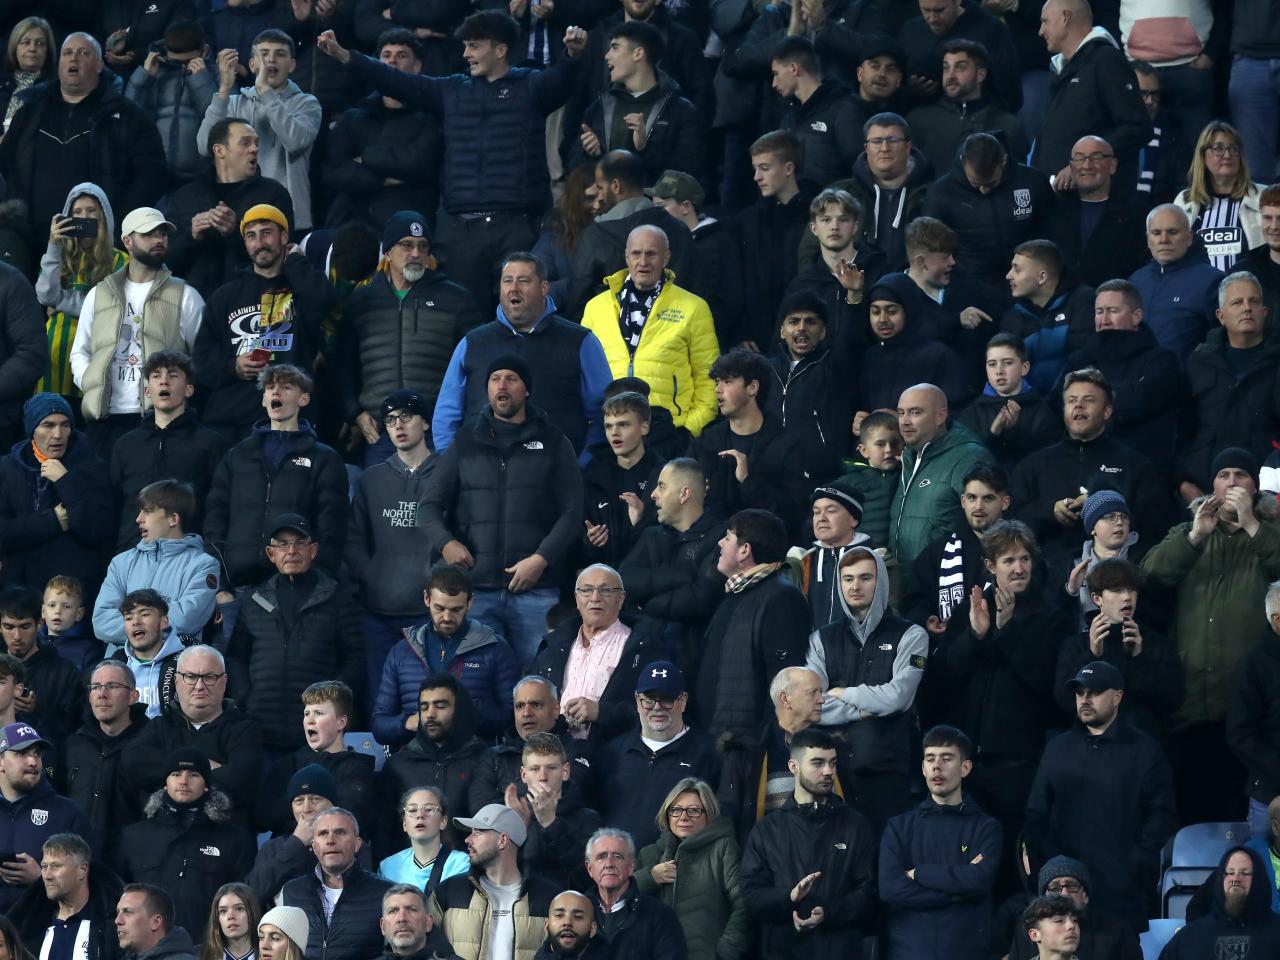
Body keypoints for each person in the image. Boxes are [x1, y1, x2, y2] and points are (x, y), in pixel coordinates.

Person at [315, 15, 589, 310]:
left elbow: (562, 81)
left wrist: (572, 55)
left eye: (473, 46)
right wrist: (346, 56)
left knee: (519, 314)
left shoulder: (531, 87)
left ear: (500, 50)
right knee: (465, 316)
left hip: (517, 226)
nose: (465, 54)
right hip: (460, 232)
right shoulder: (451, 90)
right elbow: (395, 80)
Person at [1142, 447, 1280, 823]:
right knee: (1193, 815)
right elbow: (1148, 578)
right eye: (1224, 475)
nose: (1232, 482)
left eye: (1240, 475)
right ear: (1212, 485)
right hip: (1190, 705)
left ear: (1254, 488)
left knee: (1245, 823)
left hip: (1253, 716)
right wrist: (1194, 537)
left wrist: (1254, 525)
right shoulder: (1189, 531)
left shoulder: (1270, 532)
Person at [421, 354, 584, 666]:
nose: (502, 385)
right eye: (495, 379)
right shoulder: (465, 441)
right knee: (477, 685)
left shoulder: (553, 441)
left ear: (527, 391)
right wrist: (447, 543)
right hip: (477, 591)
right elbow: (428, 506)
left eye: (511, 378)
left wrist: (541, 559)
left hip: (536, 590)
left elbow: (573, 512)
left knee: (537, 684)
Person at [930, 522, 1065, 860]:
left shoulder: (1050, 616)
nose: (1019, 568)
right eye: (1008, 560)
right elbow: (942, 677)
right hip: (970, 763)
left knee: (1012, 857)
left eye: (1024, 559)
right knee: (966, 854)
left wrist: (1006, 631)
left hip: (1020, 763)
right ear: (990, 566)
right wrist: (974, 636)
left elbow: (1044, 683)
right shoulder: (974, 608)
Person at [1024, 660, 1177, 927]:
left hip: (1122, 893)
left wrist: (1135, 861)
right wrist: (1049, 866)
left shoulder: (1144, 750)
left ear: (1117, 696)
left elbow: (1162, 814)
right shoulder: (1058, 748)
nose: (1085, 700)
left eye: (1094, 692)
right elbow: (1036, 813)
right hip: (1064, 890)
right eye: (1080, 693)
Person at [432, 250, 611, 456]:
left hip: (557, 477)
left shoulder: (581, 342)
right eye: (507, 281)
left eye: (523, 281)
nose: (514, 289)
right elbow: (446, 415)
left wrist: (583, 466)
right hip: (481, 478)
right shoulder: (472, 343)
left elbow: (603, 412)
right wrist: (453, 466)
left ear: (544, 288)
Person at [339, 214, 480, 463]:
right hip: (382, 432)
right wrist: (355, 413)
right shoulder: (361, 302)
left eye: (423, 246)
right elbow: (342, 366)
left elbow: (476, 365)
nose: (416, 253)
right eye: (406, 245)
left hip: (437, 430)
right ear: (388, 252)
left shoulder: (456, 299)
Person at [0, 32, 166, 242]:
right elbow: (6, 163)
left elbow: (153, 172)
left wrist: (117, 220)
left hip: (95, 240)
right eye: (67, 53)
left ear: (99, 65)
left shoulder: (127, 116)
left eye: (83, 53)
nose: (73, 58)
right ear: (59, 63)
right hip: (31, 234)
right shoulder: (31, 111)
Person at [65, 206, 205, 454]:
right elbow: (80, 352)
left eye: (163, 234)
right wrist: (91, 381)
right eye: (149, 234)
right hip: (105, 419)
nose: (159, 240)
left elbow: (202, 357)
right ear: (127, 241)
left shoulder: (185, 295)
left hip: (161, 419)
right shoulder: (99, 294)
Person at [807, 546, 926, 831]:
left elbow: (898, 697)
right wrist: (865, 710)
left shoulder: (912, 634)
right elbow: (813, 706)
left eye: (865, 578)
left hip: (890, 775)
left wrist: (842, 693)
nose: (855, 586)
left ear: (881, 581)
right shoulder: (821, 638)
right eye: (847, 579)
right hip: (833, 775)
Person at [203, 365, 348, 594]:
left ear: (304, 399)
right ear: (263, 399)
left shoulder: (324, 458)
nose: (276, 393)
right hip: (238, 586)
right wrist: (220, 584)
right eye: (270, 388)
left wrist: (318, 581)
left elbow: (331, 529)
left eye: (286, 387)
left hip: (297, 588)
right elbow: (215, 520)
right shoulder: (237, 455)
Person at [227, 514, 364, 752]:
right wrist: (246, 697)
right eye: (282, 544)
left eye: (299, 543)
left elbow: (355, 658)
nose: (291, 550)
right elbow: (236, 656)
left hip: (317, 734)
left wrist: (331, 701)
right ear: (271, 554)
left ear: (313, 550)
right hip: (261, 730)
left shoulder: (338, 599)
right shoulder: (252, 601)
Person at [194, 205, 331, 441]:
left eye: (266, 233)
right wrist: (233, 366)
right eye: (251, 236)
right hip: (233, 421)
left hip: (290, 420)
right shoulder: (225, 295)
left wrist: (296, 260)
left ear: (284, 237)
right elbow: (202, 359)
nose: (259, 243)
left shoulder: (302, 289)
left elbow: (323, 299)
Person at [738, 727, 876, 960]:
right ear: (794, 767)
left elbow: (869, 893)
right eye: (817, 763)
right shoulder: (767, 830)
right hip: (781, 950)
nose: (828, 771)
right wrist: (788, 898)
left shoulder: (856, 826)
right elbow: (750, 896)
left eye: (833, 763)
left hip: (840, 951)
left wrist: (828, 913)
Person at [1009, 368, 1167, 569]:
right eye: (1072, 400)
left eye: (1089, 400)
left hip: (1117, 575)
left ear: (1107, 411)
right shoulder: (1033, 465)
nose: (1079, 406)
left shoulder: (1135, 464)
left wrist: (1105, 508)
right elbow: (1014, 517)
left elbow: (1156, 520)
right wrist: (1050, 511)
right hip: (1050, 576)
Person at [580, 225, 719, 440]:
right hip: (608, 434)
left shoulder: (693, 307)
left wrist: (688, 430)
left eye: (651, 254)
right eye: (636, 253)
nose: (643, 262)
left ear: (666, 258)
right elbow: (582, 375)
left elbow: (709, 379)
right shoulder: (595, 308)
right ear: (627, 257)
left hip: (668, 435)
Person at [878, 725, 1002, 960]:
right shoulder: (899, 827)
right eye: (930, 759)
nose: (937, 766)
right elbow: (890, 889)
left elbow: (980, 880)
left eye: (947, 758)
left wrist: (919, 873)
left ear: (965, 768)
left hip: (967, 951)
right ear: (923, 768)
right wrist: (959, 892)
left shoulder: (986, 827)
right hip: (909, 952)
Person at [371, 562, 518, 746]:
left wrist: (471, 711)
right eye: (439, 608)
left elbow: (513, 719)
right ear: (426, 598)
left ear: (470, 602)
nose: (447, 617)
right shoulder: (401, 652)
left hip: (475, 761)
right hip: (415, 761)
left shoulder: (496, 648)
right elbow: (379, 726)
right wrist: (408, 722)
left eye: (456, 609)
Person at [348, 390, 439, 683]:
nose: (398, 425)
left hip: (430, 612)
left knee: (428, 698)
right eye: (389, 420)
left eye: (406, 416)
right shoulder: (371, 479)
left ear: (425, 423)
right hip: (378, 611)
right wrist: (371, 574)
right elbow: (353, 539)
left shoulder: (449, 473)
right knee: (381, 697)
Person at [117, 748, 256, 937]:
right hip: (145, 948)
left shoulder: (233, 838)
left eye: (193, 774)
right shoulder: (134, 836)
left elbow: (244, 900)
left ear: (206, 784)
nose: (183, 781)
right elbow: (117, 897)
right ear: (165, 783)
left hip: (207, 948)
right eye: (176, 774)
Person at [700, 509, 810, 740]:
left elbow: (783, 682)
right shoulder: (735, 594)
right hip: (722, 739)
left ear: (744, 550)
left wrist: (768, 743)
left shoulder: (782, 599)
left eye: (727, 537)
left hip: (751, 746)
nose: (720, 543)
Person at [120, 645, 264, 816]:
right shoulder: (159, 726)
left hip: (224, 834)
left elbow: (242, 778)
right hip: (163, 831)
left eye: (209, 677)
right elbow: (132, 762)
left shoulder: (245, 729)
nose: (199, 685)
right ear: (176, 681)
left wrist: (171, 773)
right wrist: (202, 766)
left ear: (224, 682)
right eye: (190, 676)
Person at [197, 30, 321, 231]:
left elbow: (295, 142)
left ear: (292, 65)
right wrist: (224, 90)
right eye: (263, 54)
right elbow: (205, 147)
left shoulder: (307, 103)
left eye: (280, 54)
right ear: (252, 64)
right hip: (236, 212)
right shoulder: (234, 103)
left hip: (286, 216)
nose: (270, 59)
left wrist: (265, 91)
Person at [530, 564, 666, 744]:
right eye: (586, 590)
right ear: (577, 599)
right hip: (554, 754)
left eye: (606, 591)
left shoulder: (644, 647)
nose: (595, 598)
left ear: (621, 598)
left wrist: (601, 712)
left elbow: (661, 710)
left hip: (613, 754)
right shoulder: (552, 645)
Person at [107, 352, 228, 552]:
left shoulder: (211, 443)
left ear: (189, 389)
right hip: (132, 554)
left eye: (173, 375)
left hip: (188, 555)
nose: (164, 381)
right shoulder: (125, 445)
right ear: (147, 390)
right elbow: (114, 505)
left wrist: (210, 550)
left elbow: (217, 506)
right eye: (156, 376)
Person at [322, 30, 442, 231]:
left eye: (401, 56)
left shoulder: (431, 118)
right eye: (386, 56)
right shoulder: (353, 117)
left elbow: (419, 165)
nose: (392, 62)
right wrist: (382, 179)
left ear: (418, 66)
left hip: (406, 228)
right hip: (349, 223)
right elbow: (332, 172)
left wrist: (365, 158)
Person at [164, 118, 295, 299]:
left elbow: (284, 257)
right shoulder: (185, 196)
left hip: (254, 302)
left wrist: (237, 232)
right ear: (220, 150)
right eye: (245, 143)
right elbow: (166, 263)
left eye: (256, 143)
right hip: (195, 304)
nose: (254, 149)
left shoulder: (273, 194)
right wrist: (191, 237)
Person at [1177, 272, 1280, 500]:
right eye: (1237, 302)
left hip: (1266, 494)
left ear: (1264, 312)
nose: (1246, 308)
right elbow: (1181, 429)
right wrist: (1183, 482)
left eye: (1253, 301)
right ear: (1220, 316)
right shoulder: (1198, 362)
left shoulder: (1277, 361)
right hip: (1202, 491)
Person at [595, 661, 721, 849]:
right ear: (637, 700)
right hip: (618, 868)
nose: (657, 707)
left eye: (666, 699)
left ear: (683, 700)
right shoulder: (612, 752)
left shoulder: (709, 752)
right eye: (649, 699)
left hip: (677, 870)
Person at [1055, 558, 1184, 739]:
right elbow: (1065, 702)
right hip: (1091, 750)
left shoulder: (1156, 643)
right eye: (1116, 590)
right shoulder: (1076, 646)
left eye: (1131, 589)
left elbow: (1173, 701)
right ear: (1096, 598)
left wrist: (1140, 658)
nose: (1127, 597)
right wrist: (1092, 655)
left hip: (1144, 748)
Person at [0, 394, 113, 599]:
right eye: (48, 425)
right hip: (19, 594)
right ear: (32, 430)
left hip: (71, 594)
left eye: (65, 425)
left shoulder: (93, 467)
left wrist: (65, 480)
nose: (58, 434)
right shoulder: (7, 469)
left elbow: (98, 530)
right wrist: (53, 521)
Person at [1032, 0, 1151, 194]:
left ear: (1065, 18)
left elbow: (1137, 127)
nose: (1040, 31)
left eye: (1045, 21)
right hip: (1060, 203)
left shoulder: (1106, 61)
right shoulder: (1061, 69)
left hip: (1098, 206)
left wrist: (1084, 163)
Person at [1060, 279, 1180, 468]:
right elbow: (1059, 403)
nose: (1104, 319)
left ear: (1136, 316)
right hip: (1081, 464)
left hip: (1141, 466)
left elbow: (1141, 400)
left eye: (1113, 311)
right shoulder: (1079, 360)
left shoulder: (1161, 360)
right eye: (1099, 312)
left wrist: (1091, 399)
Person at [619, 457, 726, 669]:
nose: (653, 494)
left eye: (661, 486)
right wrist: (681, 576)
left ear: (684, 494)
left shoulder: (720, 538)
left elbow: (701, 599)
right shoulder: (651, 535)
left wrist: (645, 604)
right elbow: (624, 583)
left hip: (698, 660)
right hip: (645, 654)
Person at [920, 133, 1051, 303]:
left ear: (1003, 160)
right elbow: (931, 248)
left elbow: (1052, 236)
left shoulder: (1034, 182)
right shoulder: (941, 193)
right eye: (975, 184)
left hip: (1030, 287)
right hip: (969, 293)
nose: (984, 190)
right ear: (962, 160)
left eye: (990, 183)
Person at [568, 150, 698, 321]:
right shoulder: (679, 230)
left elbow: (579, 300)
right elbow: (694, 290)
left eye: (600, 187)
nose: (599, 197)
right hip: (671, 336)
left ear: (615, 186)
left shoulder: (594, 236)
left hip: (610, 341)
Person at [693, 349, 808, 537]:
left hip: (765, 547)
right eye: (717, 382)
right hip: (712, 544)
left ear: (752, 387)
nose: (718, 389)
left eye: (727, 381)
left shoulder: (787, 445)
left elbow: (793, 513)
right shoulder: (707, 442)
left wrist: (747, 481)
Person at [94, 480, 220, 647]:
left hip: (174, 668)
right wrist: (154, 626)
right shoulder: (121, 563)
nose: (139, 519)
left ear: (173, 519)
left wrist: (133, 624)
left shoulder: (204, 565)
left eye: (147, 511)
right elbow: (102, 621)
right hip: (122, 667)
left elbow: (186, 619)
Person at [634, 779, 748, 960]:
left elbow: (744, 904)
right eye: (676, 810)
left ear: (709, 813)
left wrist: (726, 951)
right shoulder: (649, 853)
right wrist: (650, 877)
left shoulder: (724, 848)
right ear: (667, 814)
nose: (683, 817)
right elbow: (620, 903)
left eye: (694, 810)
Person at [428, 803, 560, 960]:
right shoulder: (448, 891)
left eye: (477, 832)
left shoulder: (550, 898)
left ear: (502, 840)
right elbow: (426, 945)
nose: (468, 839)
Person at [573, 22, 700, 183]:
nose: (607, 55)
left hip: (654, 207)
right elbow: (574, 169)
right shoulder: (599, 107)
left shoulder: (680, 111)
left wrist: (645, 148)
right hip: (606, 207)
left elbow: (687, 176)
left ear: (638, 53)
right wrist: (593, 155)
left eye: (615, 47)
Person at [35, 183, 125, 408]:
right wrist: (54, 245)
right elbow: (45, 295)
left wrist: (62, 302)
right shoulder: (60, 256)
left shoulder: (122, 261)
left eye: (91, 210)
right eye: (77, 212)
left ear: (104, 215)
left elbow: (111, 310)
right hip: (55, 358)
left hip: (98, 360)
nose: (84, 216)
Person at [890, 383, 992, 580]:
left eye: (915, 412)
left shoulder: (968, 457)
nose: (904, 421)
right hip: (907, 582)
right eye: (901, 413)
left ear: (940, 416)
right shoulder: (908, 458)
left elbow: (987, 524)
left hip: (946, 582)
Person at [904, 463, 1007, 635]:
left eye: (988, 498)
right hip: (947, 650)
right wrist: (926, 619)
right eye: (972, 498)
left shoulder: (1019, 550)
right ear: (962, 501)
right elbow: (914, 601)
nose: (978, 506)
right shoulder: (937, 551)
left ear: (1005, 502)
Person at [735, 131, 815, 349]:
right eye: (755, 169)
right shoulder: (747, 222)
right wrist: (742, 331)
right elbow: (739, 279)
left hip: (805, 332)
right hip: (758, 340)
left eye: (764, 168)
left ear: (788, 169)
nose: (756, 177)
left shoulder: (817, 216)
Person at [644, 171, 744, 348]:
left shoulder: (718, 243)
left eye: (661, 206)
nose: (656, 214)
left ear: (685, 206)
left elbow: (728, 298)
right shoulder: (667, 245)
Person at [62, 661, 149, 861]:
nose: (102, 694)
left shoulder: (151, 743)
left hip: (131, 862)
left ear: (133, 696)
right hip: (77, 859)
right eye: (96, 687)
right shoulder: (74, 744)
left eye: (112, 686)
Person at [0, 722, 91, 912]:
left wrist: (42, 878)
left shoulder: (66, 812)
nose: (33, 762)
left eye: (37, 754)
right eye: (22, 753)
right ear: (1, 762)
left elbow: (89, 879)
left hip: (42, 932)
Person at [279, 809, 392, 960]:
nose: (330, 840)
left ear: (357, 844)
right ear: (313, 845)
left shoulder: (386, 893)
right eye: (323, 833)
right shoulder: (291, 891)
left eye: (340, 833)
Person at [380, 676, 491, 828]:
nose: (430, 714)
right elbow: (384, 832)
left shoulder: (486, 760)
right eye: (424, 707)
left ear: (459, 710)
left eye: (440, 706)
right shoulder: (398, 766)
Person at [906, 40, 1027, 178]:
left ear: (980, 74)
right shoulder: (919, 121)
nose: (950, 75)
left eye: (960, 67)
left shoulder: (1007, 125)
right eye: (946, 67)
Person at [828, 113, 932, 273]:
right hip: (853, 287)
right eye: (876, 141)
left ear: (908, 147)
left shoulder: (931, 194)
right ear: (866, 148)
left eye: (893, 140)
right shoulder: (841, 193)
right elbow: (811, 250)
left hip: (914, 288)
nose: (884, 148)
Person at [1043, 136, 1150, 290]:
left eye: (1096, 157)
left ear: (1112, 165)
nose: (1087, 165)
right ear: (1071, 167)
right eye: (1080, 158)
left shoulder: (1136, 213)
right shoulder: (1053, 209)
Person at [854, 275, 969, 416]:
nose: (882, 319)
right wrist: (863, 423)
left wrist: (905, 421)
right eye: (875, 312)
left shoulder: (940, 356)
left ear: (909, 310)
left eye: (891, 311)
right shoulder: (870, 357)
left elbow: (957, 415)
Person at [123, 21, 218, 186]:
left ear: (205, 51)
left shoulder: (217, 75)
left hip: (201, 178)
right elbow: (127, 117)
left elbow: (222, 123)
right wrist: (143, 78)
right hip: (152, 175)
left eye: (189, 61)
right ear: (166, 51)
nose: (182, 65)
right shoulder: (152, 72)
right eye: (176, 61)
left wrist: (201, 80)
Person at [1129, 204, 1223, 363]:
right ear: (1148, 239)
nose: (1164, 240)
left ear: (1189, 238)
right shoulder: (1135, 281)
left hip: (1189, 383)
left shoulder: (1213, 281)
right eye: (1156, 233)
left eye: (1172, 232)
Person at [579, 391, 662, 569]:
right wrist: (589, 542)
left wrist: (642, 520)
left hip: (647, 581)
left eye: (623, 425)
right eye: (609, 427)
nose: (614, 433)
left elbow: (671, 540)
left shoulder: (664, 475)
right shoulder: (591, 476)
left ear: (644, 427)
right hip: (602, 582)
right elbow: (576, 548)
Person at [999, 240, 1094, 393]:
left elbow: (1082, 360)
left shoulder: (1083, 301)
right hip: (1028, 408)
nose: (1008, 276)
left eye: (1017, 269)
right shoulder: (1014, 314)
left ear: (1042, 277)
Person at [956, 334, 1061, 472]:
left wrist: (1015, 432)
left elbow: (1046, 464)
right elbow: (966, 463)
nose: (999, 371)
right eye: (992, 364)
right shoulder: (970, 414)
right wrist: (994, 433)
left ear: (1024, 368)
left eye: (1007, 363)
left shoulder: (1043, 412)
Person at [10, 833, 123, 960]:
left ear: (82, 870)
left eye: (56, 866)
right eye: (44, 867)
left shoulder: (114, 927)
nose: (47, 876)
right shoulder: (27, 931)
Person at [770, 37, 862, 190]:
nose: (774, 83)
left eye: (776, 73)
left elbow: (859, 170)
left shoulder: (844, 110)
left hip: (830, 210)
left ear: (793, 68)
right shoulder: (788, 117)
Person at [1005, 857, 1140, 960]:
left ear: (1085, 896)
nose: (1064, 894)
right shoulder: (1024, 932)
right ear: (1034, 935)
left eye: (1071, 886)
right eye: (1055, 888)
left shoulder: (1118, 930)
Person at [1174, 121, 1264, 273]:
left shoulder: (1262, 196)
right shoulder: (1184, 201)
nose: (1228, 155)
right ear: (1202, 155)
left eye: (1234, 148)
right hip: (1201, 293)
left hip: (1251, 290)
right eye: (1218, 148)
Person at [582, 828, 686, 960]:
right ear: (590, 868)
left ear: (631, 866)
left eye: (617, 856)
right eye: (601, 857)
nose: (609, 864)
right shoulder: (573, 914)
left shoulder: (661, 916)